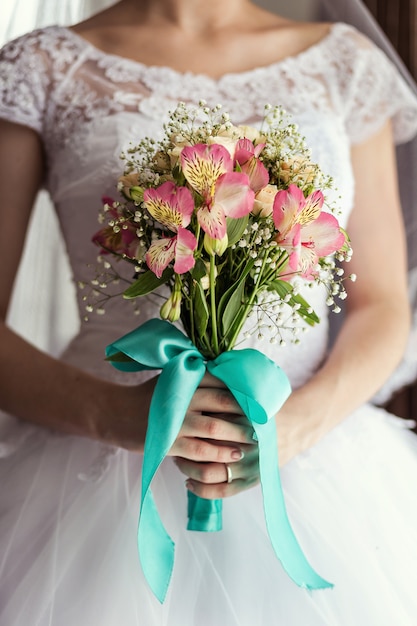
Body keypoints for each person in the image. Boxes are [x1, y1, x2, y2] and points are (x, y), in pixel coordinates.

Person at [1, 0, 417, 623]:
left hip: (314, 453)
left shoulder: (343, 64)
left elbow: (382, 306)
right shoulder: (42, 66)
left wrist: (290, 431)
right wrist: (121, 417)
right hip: (94, 462)